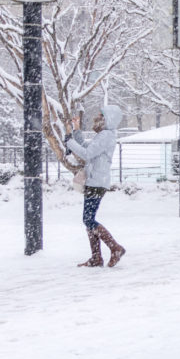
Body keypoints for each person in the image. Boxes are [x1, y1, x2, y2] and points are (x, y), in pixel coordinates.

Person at [64, 104, 126, 267]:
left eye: (101, 115)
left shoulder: (106, 135)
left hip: (97, 182)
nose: (97, 117)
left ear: (108, 119)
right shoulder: (104, 135)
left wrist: (69, 141)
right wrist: (77, 131)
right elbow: (86, 147)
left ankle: (115, 248)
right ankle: (96, 257)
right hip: (95, 181)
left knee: (88, 219)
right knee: (88, 219)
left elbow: (87, 154)